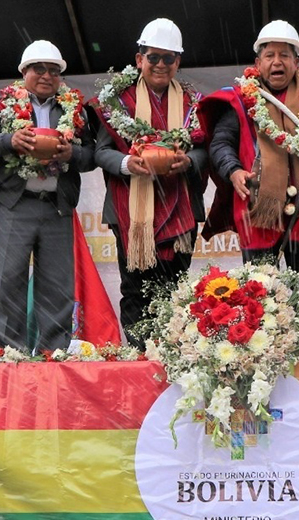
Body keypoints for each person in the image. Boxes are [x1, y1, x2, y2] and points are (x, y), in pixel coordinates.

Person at [201, 20, 299, 329]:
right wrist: (233, 171)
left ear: (296, 62)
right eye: (269, 55)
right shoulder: (239, 99)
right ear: (258, 63)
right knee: (258, 289)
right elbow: (220, 143)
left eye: (284, 55)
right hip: (257, 208)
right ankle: (262, 349)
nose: (277, 62)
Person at [0, 40, 95, 352]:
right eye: (39, 69)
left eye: (54, 71)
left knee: (58, 284)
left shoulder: (73, 109)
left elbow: (92, 154)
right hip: (14, 204)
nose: (46, 75)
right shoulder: (1, 105)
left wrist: (72, 153)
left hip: (57, 208)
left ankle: (53, 352)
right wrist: (9, 141)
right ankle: (9, 352)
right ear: (24, 72)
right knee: (7, 280)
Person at [91, 18, 207, 345]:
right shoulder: (117, 101)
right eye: (153, 57)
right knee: (135, 288)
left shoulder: (191, 104)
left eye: (168, 58)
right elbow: (101, 152)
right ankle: (141, 357)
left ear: (177, 62)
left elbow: (203, 151)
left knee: (175, 287)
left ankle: (172, 352)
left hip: (180, 206)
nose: (160, 65)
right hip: (130, 210)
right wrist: (128, 163)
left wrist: (188, 162)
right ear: (139, 59)